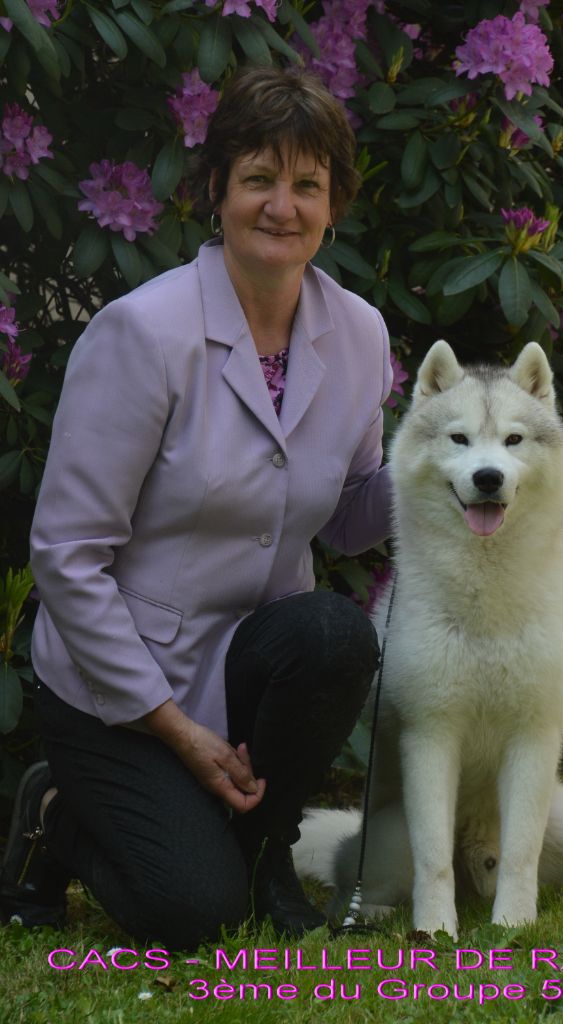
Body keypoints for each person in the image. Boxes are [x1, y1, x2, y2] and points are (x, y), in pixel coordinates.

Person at [0, 66, 393, 949]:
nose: (281, 207)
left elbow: (352, 517)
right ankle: (56, 811)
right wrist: (174, 728)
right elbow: (67, 555)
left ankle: (265, 851)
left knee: (333, 633)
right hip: (124, 681)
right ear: (215, 188)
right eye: (258, 178)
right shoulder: (143, 333)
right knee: (191, 916)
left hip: (256, 664)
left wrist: (456, 461)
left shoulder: (360, 331)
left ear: (334, 206)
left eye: (307, 185)